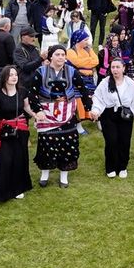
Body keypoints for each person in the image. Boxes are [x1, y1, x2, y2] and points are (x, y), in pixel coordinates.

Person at [28, 45, 93, 187]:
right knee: (46, 142)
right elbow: (32, 93)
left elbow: (83, 89)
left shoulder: (72, 71)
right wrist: (38, 110)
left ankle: (64, 176)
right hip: (47, 113)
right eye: (57, 54)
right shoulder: (40, 72)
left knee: (67, 143)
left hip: (67, 112)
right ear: (50, 56)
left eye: (63, 55)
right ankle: (45, 173)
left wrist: (89, 107)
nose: (61, 57)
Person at [89, 58, 134, 179]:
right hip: (108, 115)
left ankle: (122, 167)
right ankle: (110, 167)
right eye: (113, 67)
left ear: (123, 68)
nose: (115, 70)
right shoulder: (105, 82)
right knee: (111, 141)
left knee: (124, 141)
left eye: (118, 67)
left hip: (125, 115)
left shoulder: (130, 83)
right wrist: (96, 111)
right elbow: (98, 97)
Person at [0, 66, 34, 201]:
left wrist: (35, 114)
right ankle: (4, 190)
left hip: (21, 130)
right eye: (11, 75)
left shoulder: (22, 91)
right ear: (4, 77)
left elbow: (26, 107)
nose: (14, 77)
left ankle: (18, 188)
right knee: (5, 159)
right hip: (5, 131)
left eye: (15, 75)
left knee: (20, 158)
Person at [66, 29, 98, 134]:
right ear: (78, 40)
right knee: (78, 102)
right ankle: (78, 125)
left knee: (92, 99)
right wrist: (88, 61)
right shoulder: (70, 52)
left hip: (89, 79)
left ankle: (95, 118)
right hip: (77, 80)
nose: (87, 42)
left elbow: (96, 61)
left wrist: (85, 63)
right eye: (85, 40)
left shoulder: (88, 49)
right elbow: (77, 63)